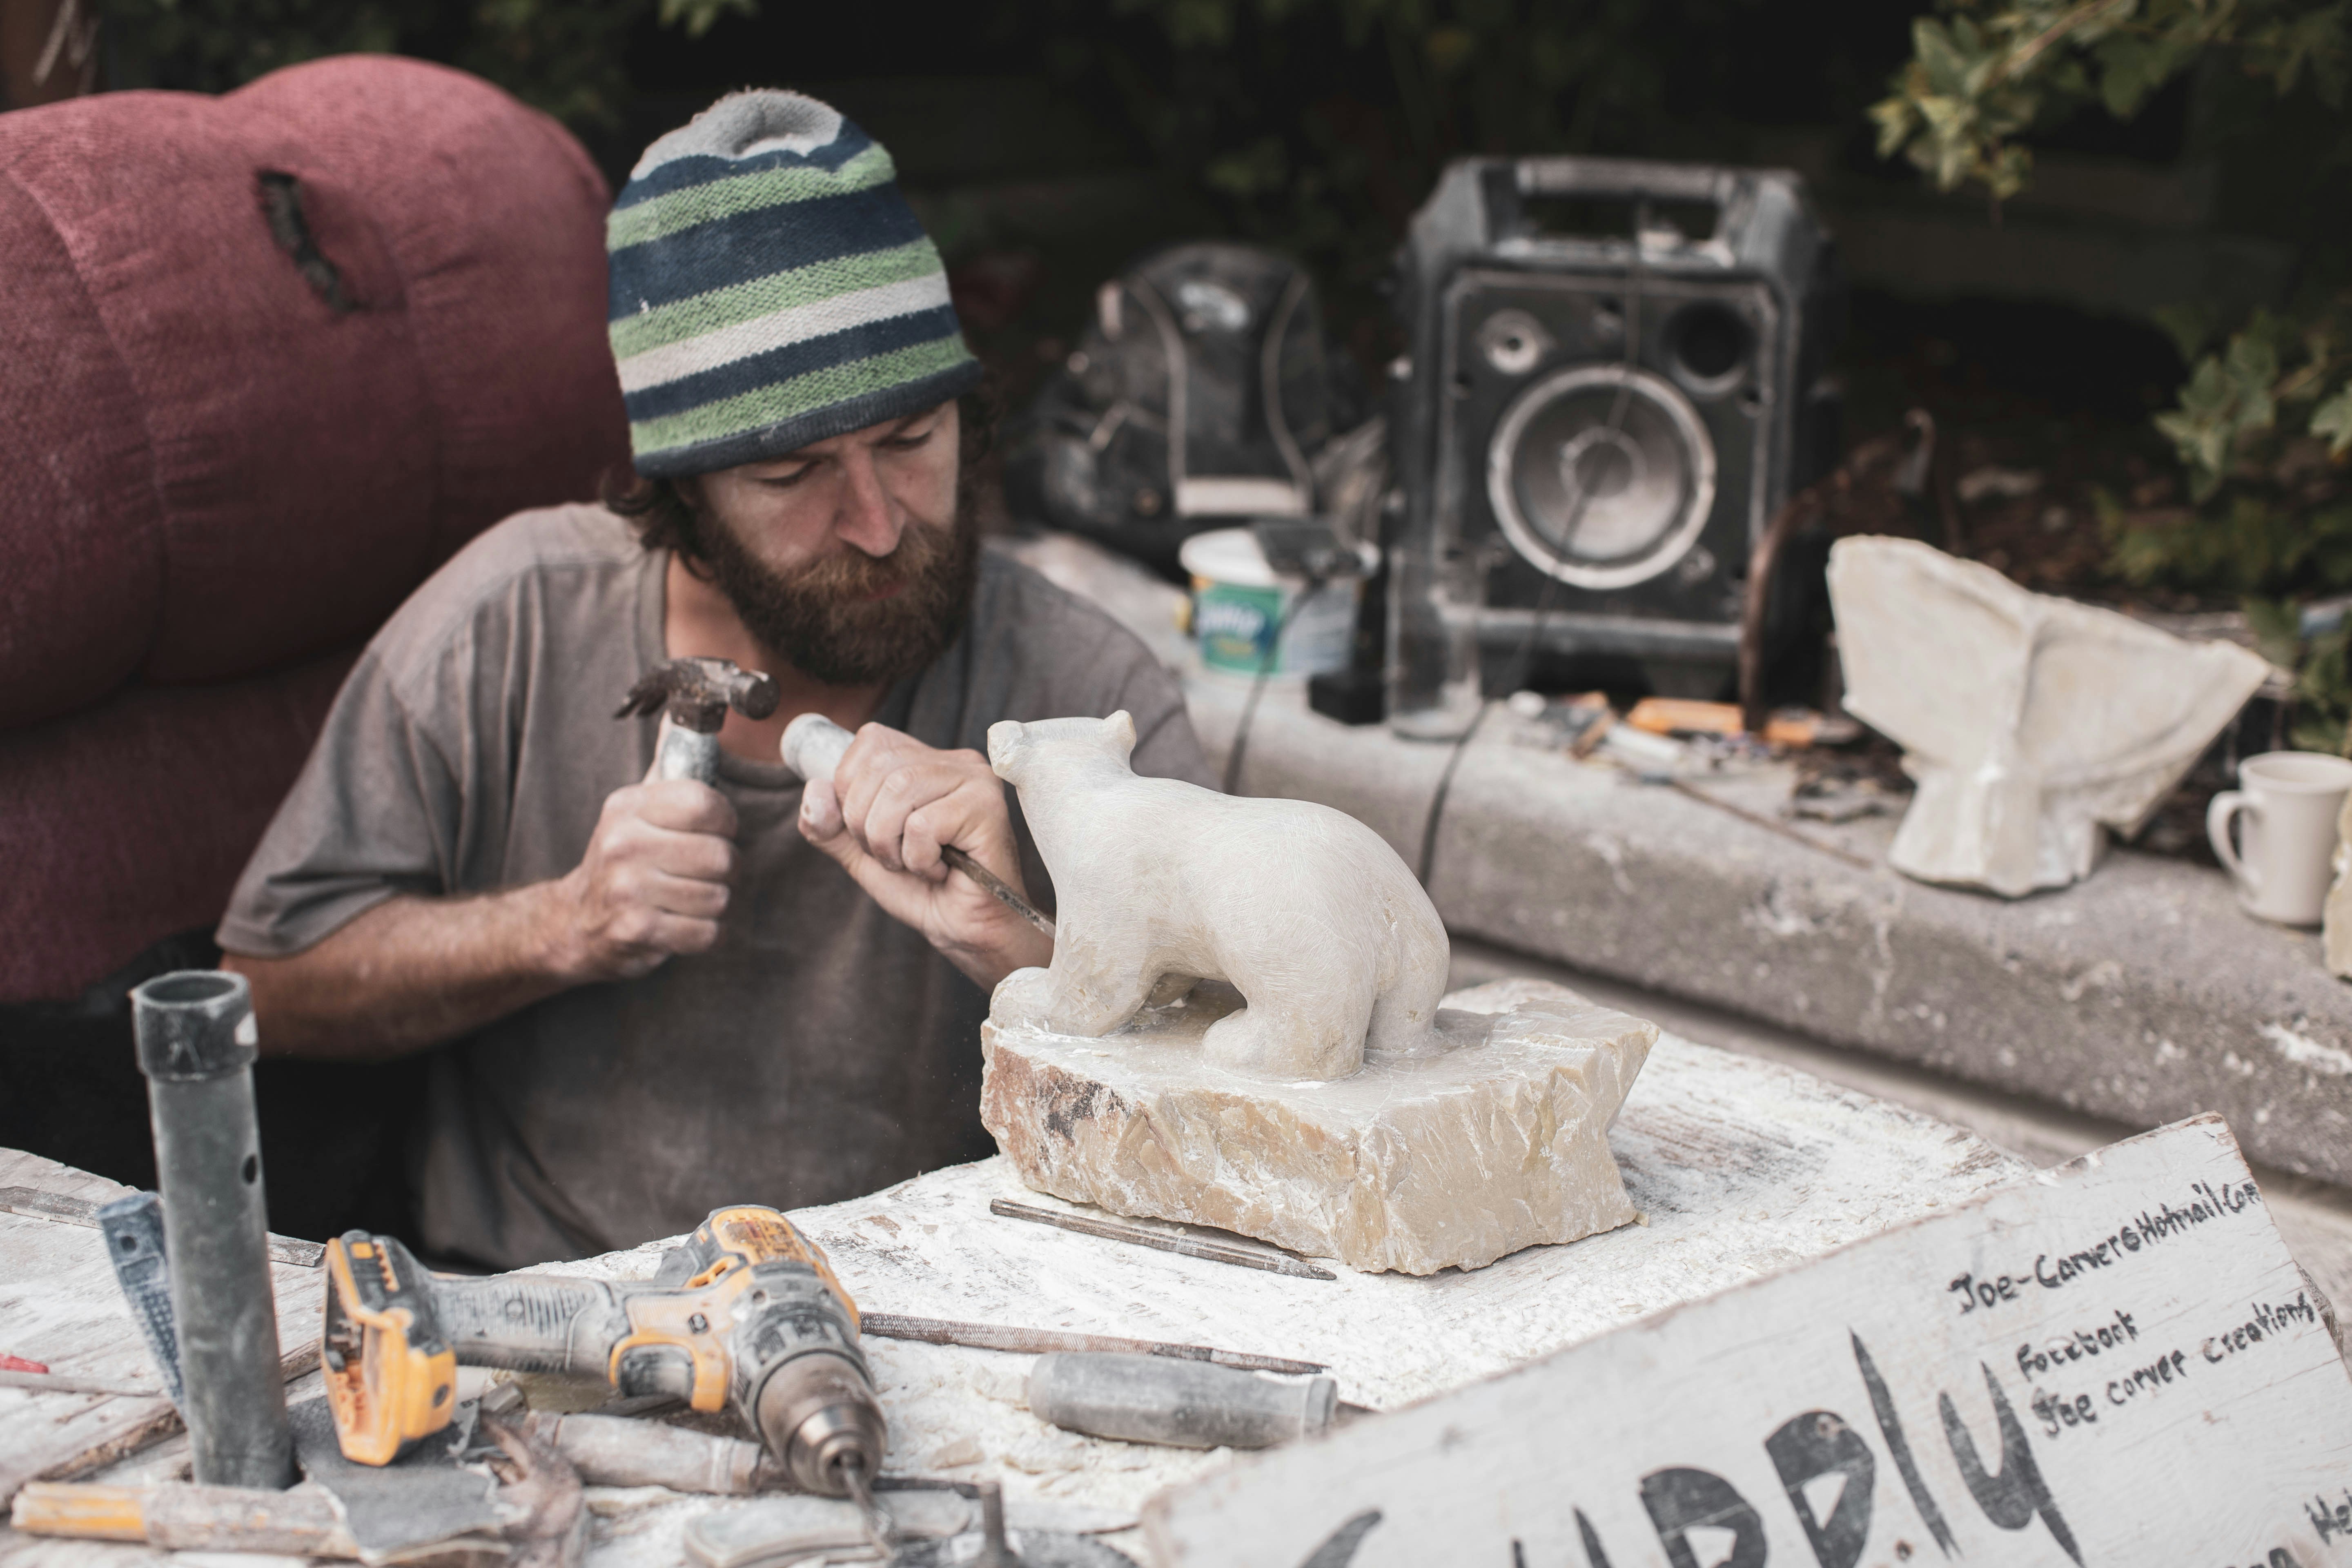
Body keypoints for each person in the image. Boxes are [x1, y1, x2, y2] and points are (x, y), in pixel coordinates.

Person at [215, 90, 1212, 1270]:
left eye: (911, 440)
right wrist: (561, 926)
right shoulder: (510, 621)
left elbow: (1235, 1094)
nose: (883, 526)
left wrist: (1033, 958)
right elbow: (261, 990)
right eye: (794, 472)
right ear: (682, 491)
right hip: (539, 1320)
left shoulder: (1087, 693)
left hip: (935, 1325)